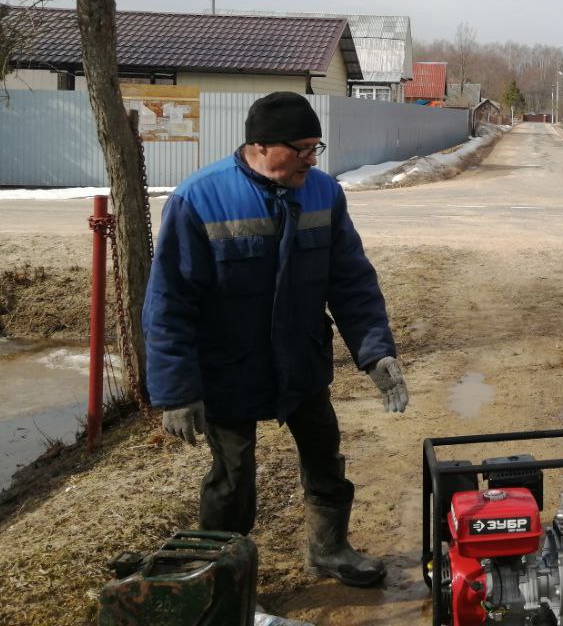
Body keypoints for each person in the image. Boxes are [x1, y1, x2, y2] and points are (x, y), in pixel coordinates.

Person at [144, 91, 408, 588]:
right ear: (261, 146)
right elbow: (169, 301)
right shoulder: (199, 199)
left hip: (301, 358)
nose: (312, 158)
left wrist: (375, 352)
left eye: (316, 147)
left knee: (325, 456)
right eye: (302, 148)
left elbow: (350, 280)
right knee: (233, 477)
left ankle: (329, 550)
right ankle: (223, 581)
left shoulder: (324, 193)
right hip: (228, 366)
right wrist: (176, 390)